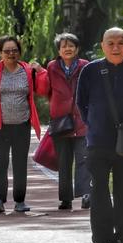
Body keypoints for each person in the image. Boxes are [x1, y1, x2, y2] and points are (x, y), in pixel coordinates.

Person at [76, 27, 123, 243]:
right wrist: (96, 123)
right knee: (98, 190)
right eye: (111, 43)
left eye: (121, 43)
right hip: (98, 141)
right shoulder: (90, 71)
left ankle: (121, 240)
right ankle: (101, 239)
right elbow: (82, 103)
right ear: (102, 45)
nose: (116, 47)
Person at [0, 36, 47, 214]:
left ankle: (20, 201)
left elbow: (43, 89)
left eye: (14, 50)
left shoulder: (28, 70)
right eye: (7, 51)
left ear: (19, 52)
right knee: (1, 162)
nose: (11, 54)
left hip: (22, 124)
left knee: (20, 163)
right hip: (0, 125)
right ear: (0, 52)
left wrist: (40, 71)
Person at [35, 33, 91, 210]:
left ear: (77, 49)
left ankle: (86, 195)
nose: (68, 49)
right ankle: (65, 199)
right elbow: (44, 90)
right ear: (58, 50)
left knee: (84, 160)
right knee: (64, 163)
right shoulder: (52, 67)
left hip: (82, 120)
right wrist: (40, 73)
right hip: (61, 122)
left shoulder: (85, 66)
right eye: (64, 46)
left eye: (71, 46)